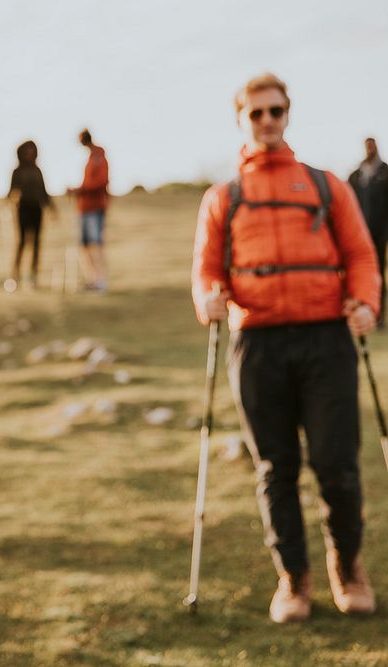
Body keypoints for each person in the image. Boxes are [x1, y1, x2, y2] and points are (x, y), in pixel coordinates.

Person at [192, 73, 380, 624]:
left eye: (276, 111)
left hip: (327, 340)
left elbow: (362, 256)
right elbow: (205, 270)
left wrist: (366, 301)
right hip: (258, 345)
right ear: (242, 120)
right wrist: (208, 298)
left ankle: (347, 567)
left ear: (288, 114)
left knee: (337, 465)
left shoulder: (326, 187)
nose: (267, 120)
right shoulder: (222, 198)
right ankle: (293, 580)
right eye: (256, 113)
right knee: (275, 467)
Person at [348, 137, 388, 326]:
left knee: (378, 273)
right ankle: (360, 312)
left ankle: (378, 313)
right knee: (358, 272)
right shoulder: (356, 175)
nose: (369, 149)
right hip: (359, 236)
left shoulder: (385, 173)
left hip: (380, 235)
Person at [6, 140, 55, 291]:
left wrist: (52, 208)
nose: (29, 153)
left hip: (37, 209)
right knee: (21, 243)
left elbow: (44, 192)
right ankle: (15, 276)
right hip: (23, 209)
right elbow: (12, 191)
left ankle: (33, 277)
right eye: (27, 150)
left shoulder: (37, 170)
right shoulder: (17, 171)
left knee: (36, 244)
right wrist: (9, 200)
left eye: (32, 150)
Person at [69, 129, 110, 291]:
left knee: (95, 244)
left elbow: (100, 182)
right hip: (84, 207)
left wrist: (80, 190)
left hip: (95, 207)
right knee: (84, 245)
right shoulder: (90, 158)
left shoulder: (98, 156)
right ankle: (91, 280)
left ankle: (100, 280)